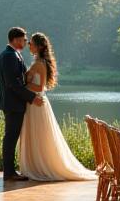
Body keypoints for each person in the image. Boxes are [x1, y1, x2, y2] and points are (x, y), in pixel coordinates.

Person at [18, 32, 96, 181]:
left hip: (37, 104)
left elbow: (40, 87)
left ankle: (40, 166)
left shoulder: (39, 64)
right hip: (34, 104)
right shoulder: (39, 61)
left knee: (39, 137)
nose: (29, 45)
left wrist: (24, 85)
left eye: (31, 43)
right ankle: (34, 165)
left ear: (39, 46)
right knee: (37, 136)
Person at [0, 27, 43, 181]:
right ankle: (8, 173)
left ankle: (10, 171)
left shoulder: (13, 54)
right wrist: (31, 97)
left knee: (12, 136)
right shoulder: (9, 56)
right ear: (15, 40)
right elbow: (13, 84)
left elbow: (18, 80)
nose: (25, 42)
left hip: (14, 103)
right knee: (10, 137)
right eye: (23, 39)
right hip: (12, 103)